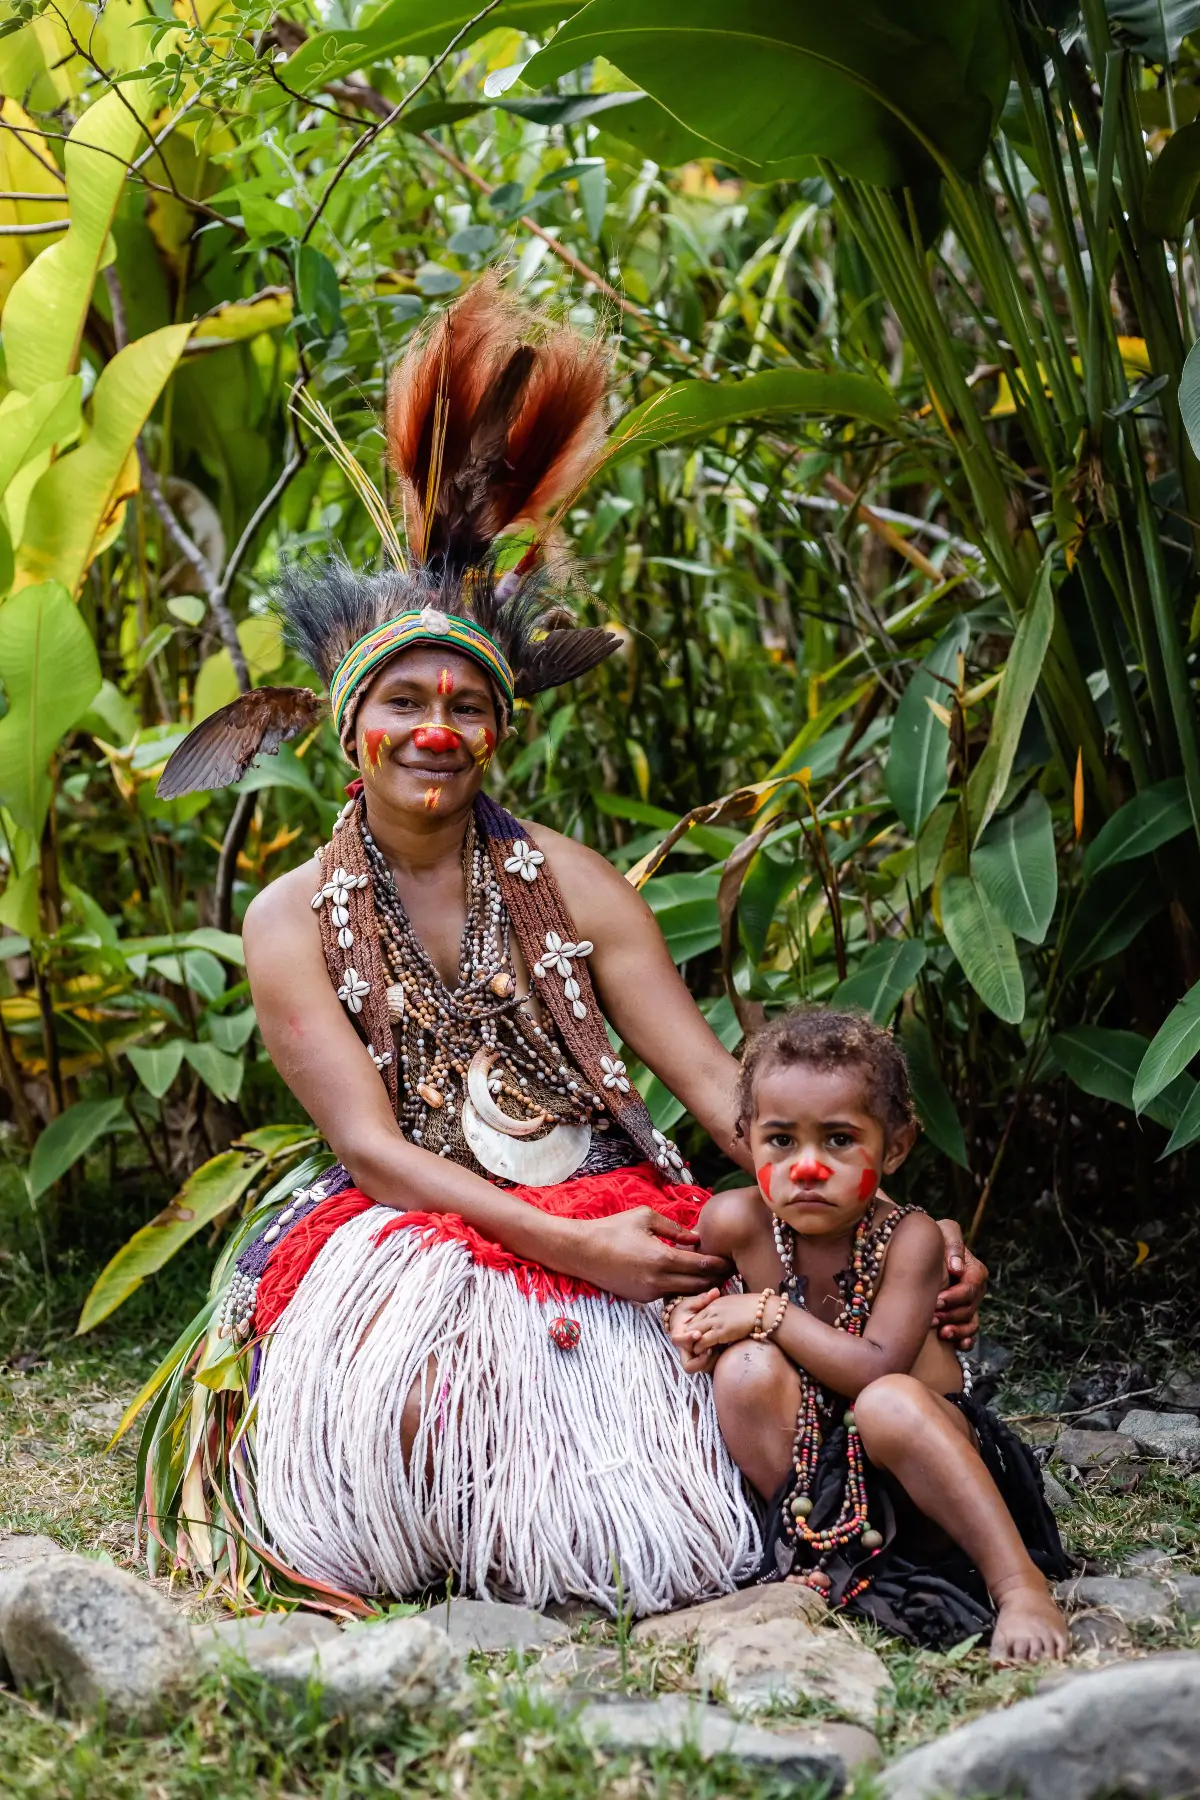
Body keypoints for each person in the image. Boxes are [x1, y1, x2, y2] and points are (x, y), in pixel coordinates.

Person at [144, 279, 986, 1617]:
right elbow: (371, 1149)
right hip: (423, 1213)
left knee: (733, 1337)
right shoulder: (290, 917)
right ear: (349, 728)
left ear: (502, 730)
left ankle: (817, 1516)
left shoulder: (569, 882)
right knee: (426, 1417)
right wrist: (568, 1256)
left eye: (466, 706)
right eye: (405, 702)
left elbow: (722, 1092)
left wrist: (888, 1242)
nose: (437, 729)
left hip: (612, 1191)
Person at [678, 1007, 1069, 1661]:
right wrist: (689, 1320)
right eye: (780, 1142)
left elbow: (874, 1371)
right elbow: (687, 1291)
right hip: (814, 1469)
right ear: (745, 1140)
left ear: (894, 1146)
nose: (806, 1167)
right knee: (743, 1368)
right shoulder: (733, 1223)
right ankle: (817, 1549)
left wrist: (767, 1313)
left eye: (838, 1140)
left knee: (886, 1404)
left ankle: (1017, 1583)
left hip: (922, 1463)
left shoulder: (907, 1238)